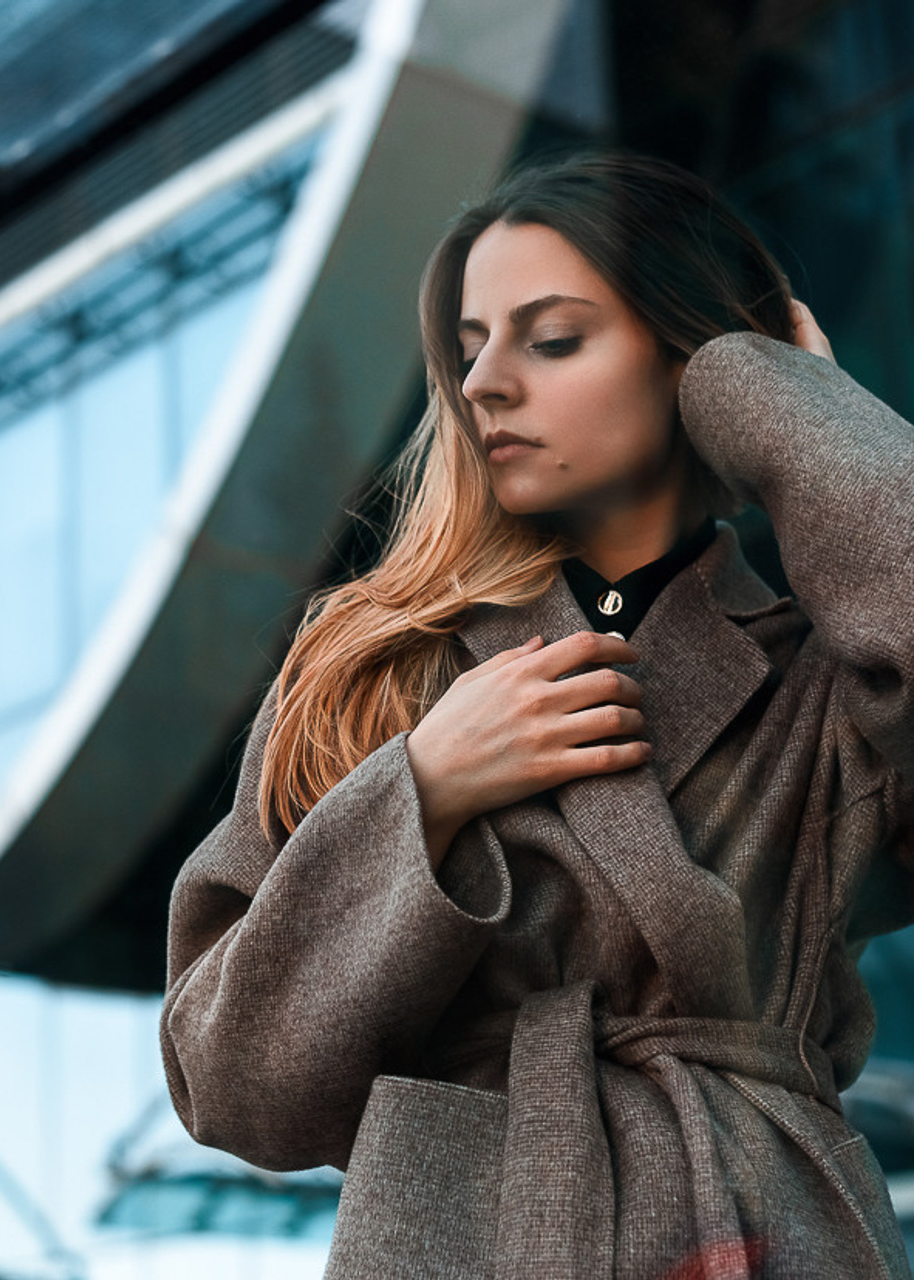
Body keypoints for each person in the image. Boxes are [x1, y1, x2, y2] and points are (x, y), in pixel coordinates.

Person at [159, 151, 914, 1278]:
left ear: (692, 361)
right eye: (467, 351)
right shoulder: (376, 665)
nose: (483, 385)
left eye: (550, 338)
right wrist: (422, 792)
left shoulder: (832, 682)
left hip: (763, 1222)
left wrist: (791, 402)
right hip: (462, 1228)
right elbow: (230, 1085)